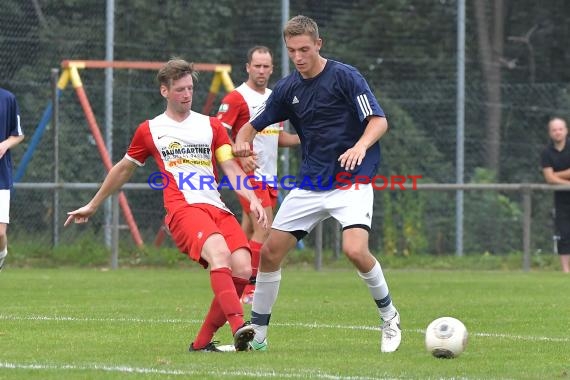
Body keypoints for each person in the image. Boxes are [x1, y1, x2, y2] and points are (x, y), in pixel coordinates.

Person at [65, 59, 267, 351]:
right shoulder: (150, 130)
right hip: (183, 209)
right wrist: (93, 204)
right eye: (180, 89)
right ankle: (239, 326)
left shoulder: (211, 126)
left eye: (190, 88)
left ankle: (200, 344)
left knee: (243, 267)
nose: (187, 94)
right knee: (220, 255)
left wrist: (252, 198)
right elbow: (123, 168)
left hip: (216, 208)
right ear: (164, 91)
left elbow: (232, 169)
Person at [233, 15, 402, 353]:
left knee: (354, 250)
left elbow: (379, 121)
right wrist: (243, 142)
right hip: (311, 183)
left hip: (352, 179)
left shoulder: (345, 77)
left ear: (319, 44)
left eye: (305, 49)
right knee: (269, 254)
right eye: (292, 50)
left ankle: (389, 317)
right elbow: (251, 126)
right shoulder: (287, 89)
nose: (298, 57)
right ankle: (260, 336)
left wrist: (360, 146)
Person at [216, 45, 300, 304]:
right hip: (247, 176)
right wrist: (241, 154)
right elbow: (217, 136)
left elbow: (276, 137)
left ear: (272, 69)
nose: (262, 71)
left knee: (248, 230)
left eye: (266, 66)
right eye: (257, 66)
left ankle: (233, 281)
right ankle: (250, 287)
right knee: (265, 228)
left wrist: (306, 139)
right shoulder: (236, 98)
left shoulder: (276, 98)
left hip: (269, 176)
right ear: (248, 67)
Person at [0, 87, 25, 271]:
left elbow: (18, 134)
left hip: (1, 176)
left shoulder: (7, 98)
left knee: (0, 234)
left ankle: (1, 258)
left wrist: (5, 144)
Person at [541, 117, 570, 273]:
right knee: (564, 233)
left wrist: (556, 175)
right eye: (554, 130)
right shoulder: (546, 152)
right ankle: (566, 271)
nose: (558, 132)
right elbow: (548, 178)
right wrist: (567, 182)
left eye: (560, 129)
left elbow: (552, 176)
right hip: (561, 198)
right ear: (550, 133)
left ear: (566, 130)